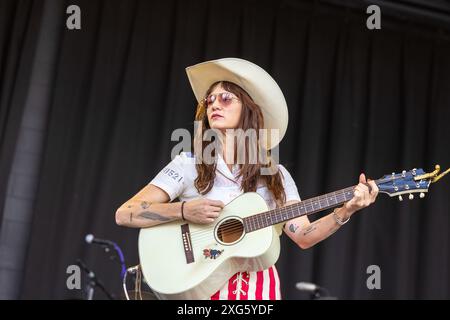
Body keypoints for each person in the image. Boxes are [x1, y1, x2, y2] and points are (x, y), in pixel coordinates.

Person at [115, 58, 379, 300]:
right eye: (210, 100)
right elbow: (126, 213)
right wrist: (183, 210)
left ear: (248, 110)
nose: (215, 104)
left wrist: (346, 210)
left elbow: (304, 236)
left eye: (226, 98)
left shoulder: (275, 175)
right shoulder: (188, 163)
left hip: (257, 293)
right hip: (199, 290)